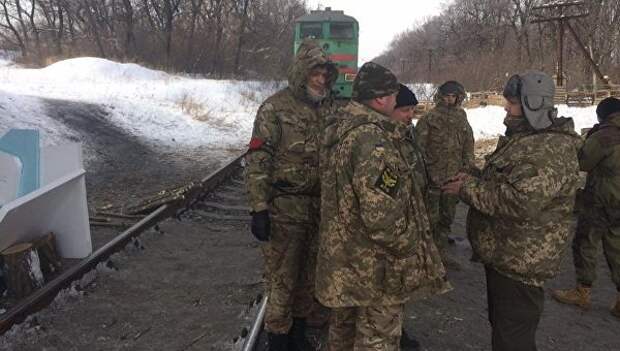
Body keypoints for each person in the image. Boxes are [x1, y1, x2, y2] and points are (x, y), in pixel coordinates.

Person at [442, 70, 581, 351]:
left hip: (521, 263)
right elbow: (510, 181)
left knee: (512, 338)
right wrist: (474, 177)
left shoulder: (548, 149)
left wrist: (467, 190)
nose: (506, 107)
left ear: (533, 105)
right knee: (505, 330)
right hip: (506, 257)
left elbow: (520, 201)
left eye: (512, 103)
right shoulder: (527, 138)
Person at [316, 62, 448, 351]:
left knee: (342, 334)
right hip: (375, 268)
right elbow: (382, 218)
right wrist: (411, 246)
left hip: (344, 260)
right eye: (392, 94)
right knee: (377, 340)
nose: (396, 100)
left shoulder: (340, 128)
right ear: (380, 99)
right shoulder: (373, 141)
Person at [244, 39, 338, 351]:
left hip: (319, 211)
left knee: (308, 282)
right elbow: (259, 159)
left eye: (325, 74)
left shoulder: (328, 108)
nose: (321, 80)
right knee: (282, 283)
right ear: (301, 72)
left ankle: (298, 339)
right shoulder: (275, 108)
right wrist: (259, 208)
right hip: (285, 210)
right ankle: (278, 342)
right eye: (315, 73)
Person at [551, 97, 620, 319]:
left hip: (601, 200)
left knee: (585, 243)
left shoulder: (605, 136)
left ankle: (582, 291)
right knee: (616, 247)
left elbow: (583, 162)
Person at [415, 81, 475, 259]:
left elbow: (468, 145)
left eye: (453, 96)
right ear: (440, 97)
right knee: (429, 219)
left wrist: (466, 168)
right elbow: (419, 147)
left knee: (447, 218)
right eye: (447, 96)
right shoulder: (429, 118)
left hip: (452, 179)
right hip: (432, 178)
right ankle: (427, 257)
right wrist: (424, 172)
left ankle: (441, 255)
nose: (450, 100)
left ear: (459, 97)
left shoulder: (461, 118)